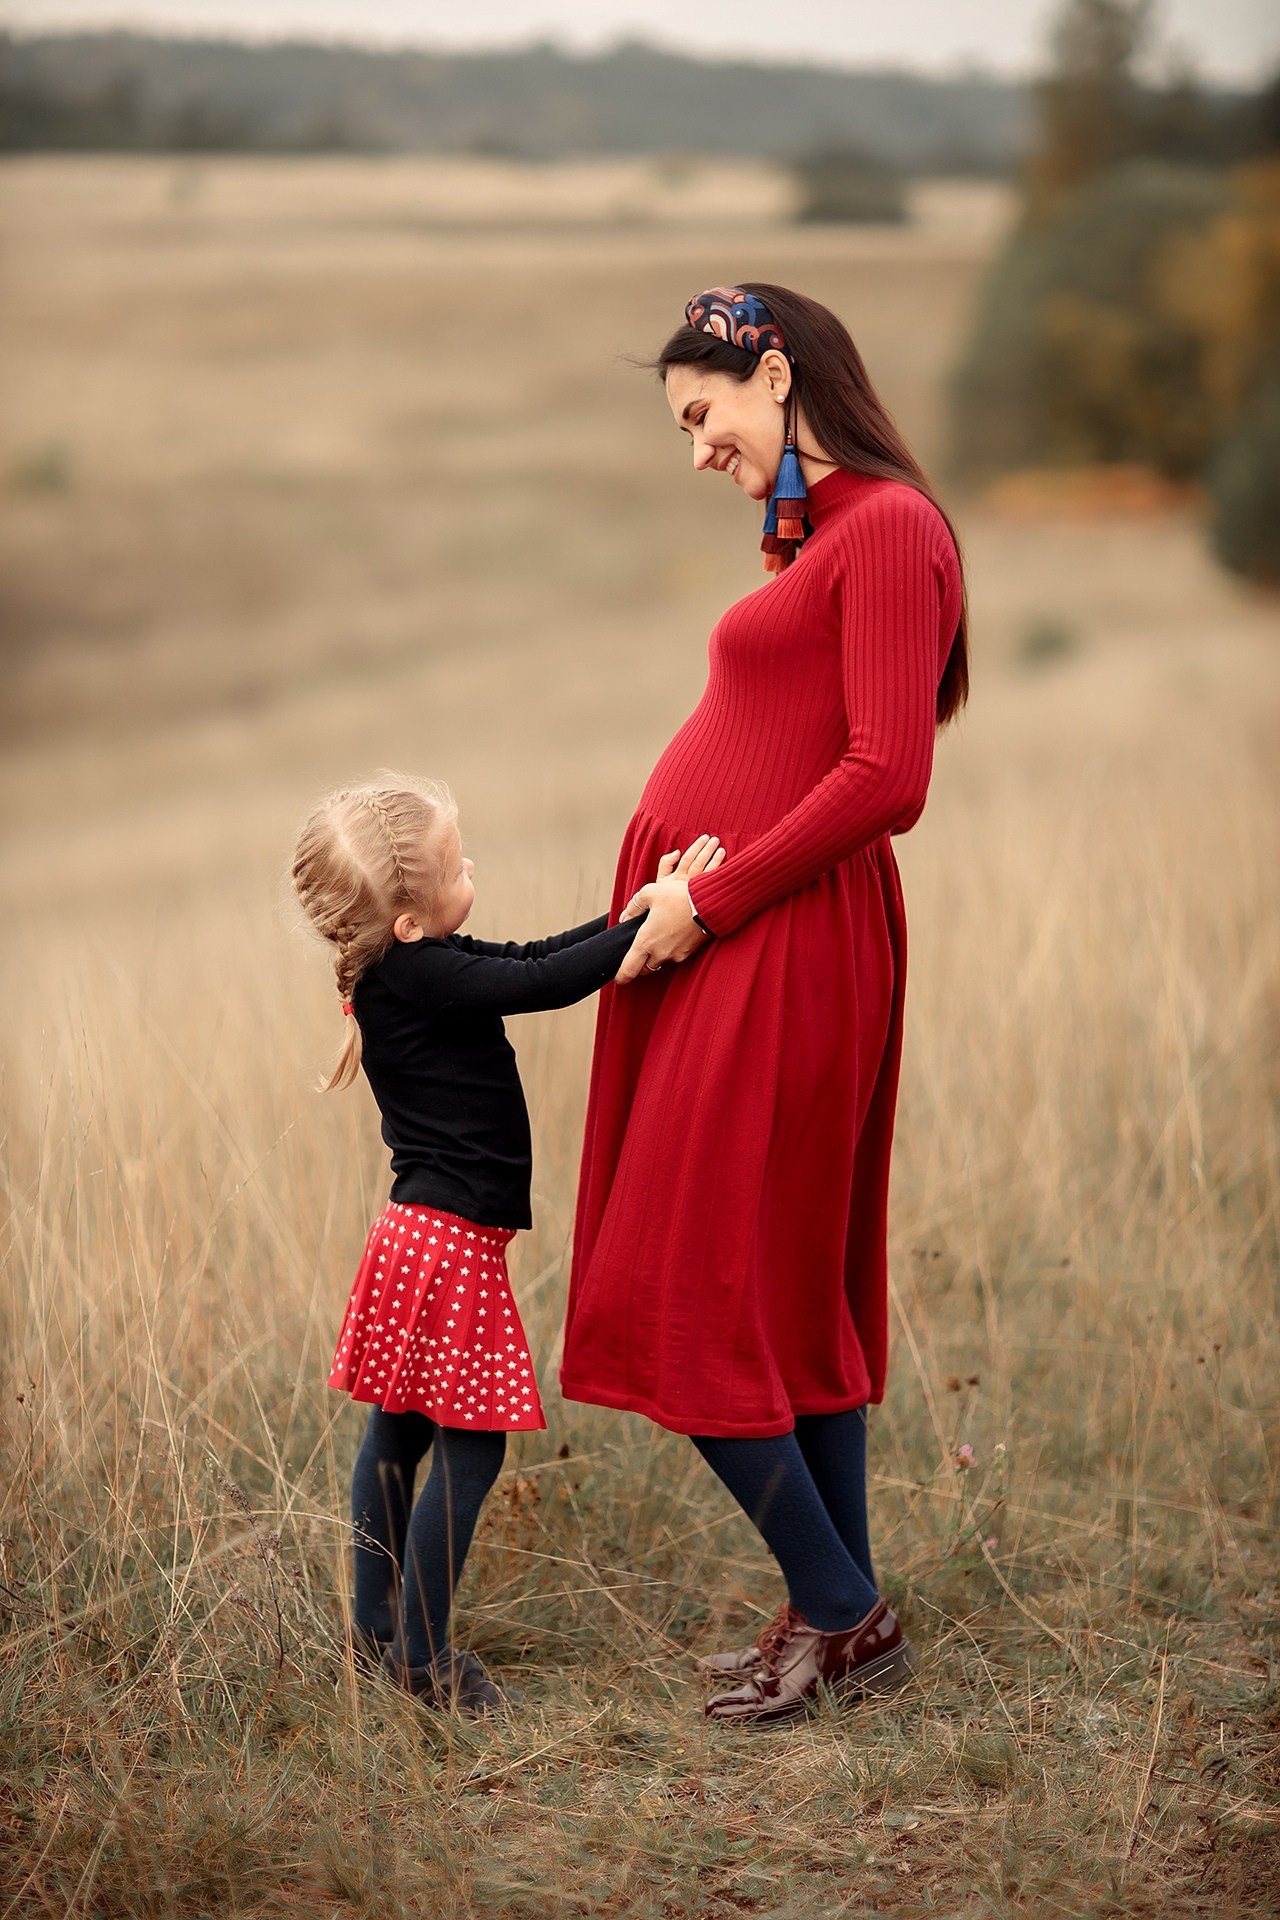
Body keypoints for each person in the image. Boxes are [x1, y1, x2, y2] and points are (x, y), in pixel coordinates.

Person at [561, 285, 969, 1726]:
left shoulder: (892, 528)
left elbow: (887, 778)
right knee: (785, 1283)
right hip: (738, 940)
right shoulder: (826, 533)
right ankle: (828, 1605)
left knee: (672, 1281)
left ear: (776, 371)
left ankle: (850, 1610)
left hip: (782, 947)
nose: (696, 449)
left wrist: (709, 897)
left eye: (702, 414)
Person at [291, 771, 723, 1713]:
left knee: (397, 1435)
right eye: (453, 862)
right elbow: (539, 983)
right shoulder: (421, 974)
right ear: (405, 918)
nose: (470, 864)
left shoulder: (406, 967)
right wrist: (640, 938)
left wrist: (635, 916)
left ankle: (375, 1637)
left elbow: (528, 955)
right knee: (470, 1450)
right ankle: (424, 1659)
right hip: (448, 1246)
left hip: (415, 1238)